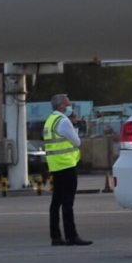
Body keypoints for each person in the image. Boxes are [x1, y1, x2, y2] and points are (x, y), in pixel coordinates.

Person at [44, 94, 92, 246]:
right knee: (67, 203)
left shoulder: (50, 120)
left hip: (55, 166)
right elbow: (77, 142)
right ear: (60, 107)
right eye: (68, 104)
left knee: (56, 202)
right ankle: (72, 235)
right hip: (67, 165)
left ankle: (56, 236)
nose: (71, 107)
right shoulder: (64, 121)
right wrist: (75, 125)